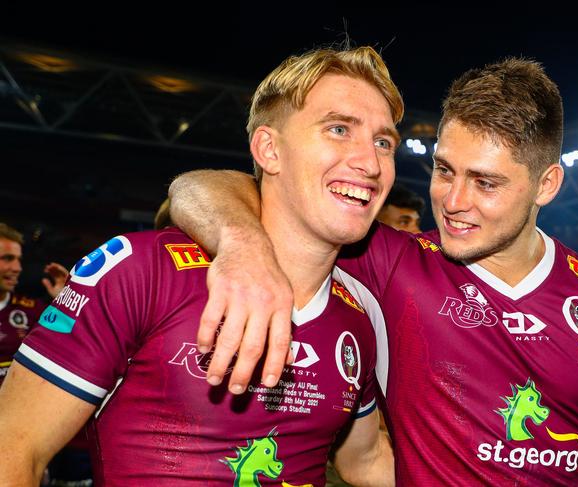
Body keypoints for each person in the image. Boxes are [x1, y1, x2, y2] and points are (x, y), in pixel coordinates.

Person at [167, 58, 578, 485]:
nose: (454, 202)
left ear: (546, 184)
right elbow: (196, 188)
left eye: (485, 182)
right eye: (444, 171)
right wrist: (243, 244)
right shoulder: (387, 259)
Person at [0, 45, 403, 486]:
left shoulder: (358, 317)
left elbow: (364, 460)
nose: (370, 163)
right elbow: (15, 447)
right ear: (269, 149)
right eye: (339, 129)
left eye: (383, 142)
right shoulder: (141, 270)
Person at [0, 222, 67, 384]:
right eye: (7, 258)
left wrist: (64, 301)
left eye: (18, 260)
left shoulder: (31, 309)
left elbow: (69, 345)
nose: (17, 268)